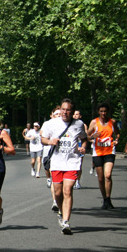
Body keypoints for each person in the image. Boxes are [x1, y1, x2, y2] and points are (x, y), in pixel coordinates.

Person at [41, 99, 87, 235]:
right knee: (58, 192)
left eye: (68, 110)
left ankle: (66, 222)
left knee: (68, 190)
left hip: (72, 162)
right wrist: (50, 141)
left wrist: (83, 147)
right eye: (63, 109)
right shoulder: (52, 124)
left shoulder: (79, 124)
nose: (65, 112)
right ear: (60, 109)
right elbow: (43, 139)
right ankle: (61, 212)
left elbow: (84, 138)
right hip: (56, 162)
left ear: (73, 112)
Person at [87, 103, 120, 209]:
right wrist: (93, 136)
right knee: (101, 178)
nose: (103, 113)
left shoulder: (112, 122)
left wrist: (116, 140)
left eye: (105, 111)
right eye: (101, 111)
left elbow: (117, 133)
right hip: (98, 152)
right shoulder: (94, 122)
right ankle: (105, 199)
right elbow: (87, 136)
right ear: (98, 112)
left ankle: (108, 198)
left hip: (110, 151)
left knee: (108, 175)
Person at [42, 106, 61, 212]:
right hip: (49, 154)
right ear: (52, 115)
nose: (58, 116)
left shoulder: (66, 125)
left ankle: (60, 200)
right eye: (56, 114)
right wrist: (50, 140)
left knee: (62, 184)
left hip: (62, 156)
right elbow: (42, 136)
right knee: (54, 179)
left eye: (59, 114)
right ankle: (55, 201)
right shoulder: (47, 124)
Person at [72, 110, 88, 189]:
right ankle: (72, 180)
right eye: (74, 114)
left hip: (80, 145)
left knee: (79, 164)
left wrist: (83, 147)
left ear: (80, 116)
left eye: (77, 114)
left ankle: (78, 181)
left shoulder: (83, 125)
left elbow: (85, 137)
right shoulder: (69, 124)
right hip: (72, 146)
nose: (75, 116)